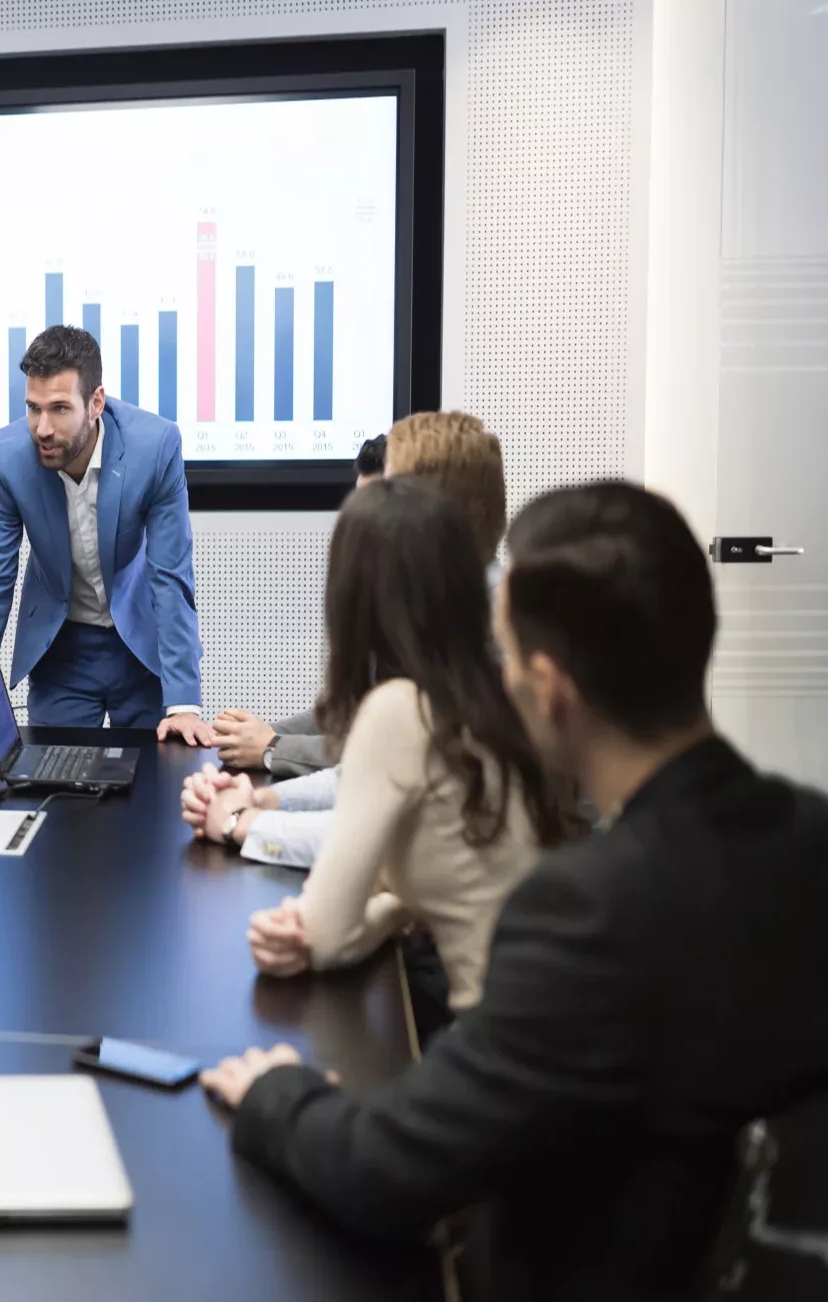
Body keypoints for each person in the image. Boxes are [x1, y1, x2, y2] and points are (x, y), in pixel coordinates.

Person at [199, 481, 828, 1301]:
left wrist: (275, 1093)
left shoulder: (583, 912)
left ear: (551, 688)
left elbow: (387, 1171)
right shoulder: (810, 836)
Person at [198, 479, 569, 1012]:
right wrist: (266, 802)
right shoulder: (495, 689)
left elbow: (329, 935)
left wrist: (237, 823)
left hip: (489, 1043)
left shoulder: (400, 709)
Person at [0, 326, 213, 745]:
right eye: (33, 408)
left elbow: (171, 577)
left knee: (156, 785)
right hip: (62, 648)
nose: (42, 428)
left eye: (60, 409)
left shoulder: (154, 446)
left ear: (96, 403)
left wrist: (184, 705)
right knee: (53, 784)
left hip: (140, 644)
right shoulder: (7, 456)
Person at [210, 412, 508, 783]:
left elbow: (400, 758)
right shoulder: (429, 596)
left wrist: (273, 749)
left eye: (382, 498)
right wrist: (258, 738)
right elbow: (354, 718)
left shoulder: (499, 622)